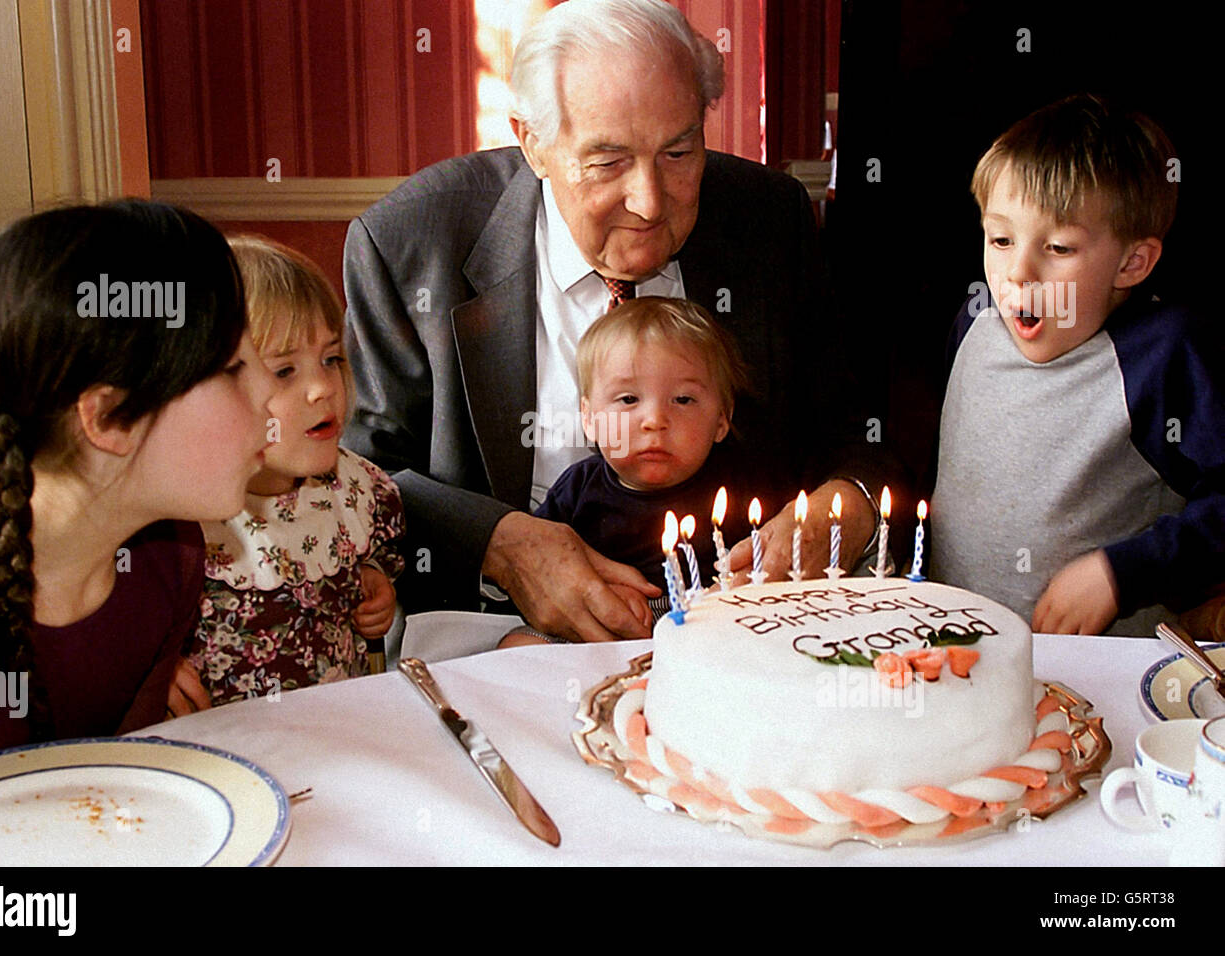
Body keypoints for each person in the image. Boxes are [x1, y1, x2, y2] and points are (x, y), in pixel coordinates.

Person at [343, 0, 882, 643]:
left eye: (679, 152)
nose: (650, 202)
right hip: (495, 638)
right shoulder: (411, 242)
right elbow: (361, 472)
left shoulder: (768, 220)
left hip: (730, 635)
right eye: (608, 162)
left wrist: (841, 509)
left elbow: (854, 431)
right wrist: (502, 546)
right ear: (533, 142)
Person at [0, 201, 274, 773]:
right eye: (233, 368)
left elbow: (116, 779)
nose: (268, 394)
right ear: (108, 420)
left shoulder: (175, 554)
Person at [931, 94, 1225, 635]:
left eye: (1060, 248)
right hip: (956, 659)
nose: (1019, 272)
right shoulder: (973, 321)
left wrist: (1123, 572)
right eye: (1000, 239)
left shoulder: (1163, 355)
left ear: (1132, 262)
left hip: (1096, 686)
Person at [183, 237, 404, 705]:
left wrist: (375, 580)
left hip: (334, 734)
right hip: (219, 750)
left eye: (330, 360)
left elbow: (381, 552)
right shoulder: (178, 520)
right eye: (285, 372)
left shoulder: (357, 489)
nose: (322, 388)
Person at [531, 296, 764, 621]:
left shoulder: (739, 490)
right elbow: (540, 566)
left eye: (683, 399)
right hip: (596, 629)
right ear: (589, 418)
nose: (654, 419)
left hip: (711, 625)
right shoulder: (577, 489)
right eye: (628, 399)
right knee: (518, 644)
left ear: (722, 420)